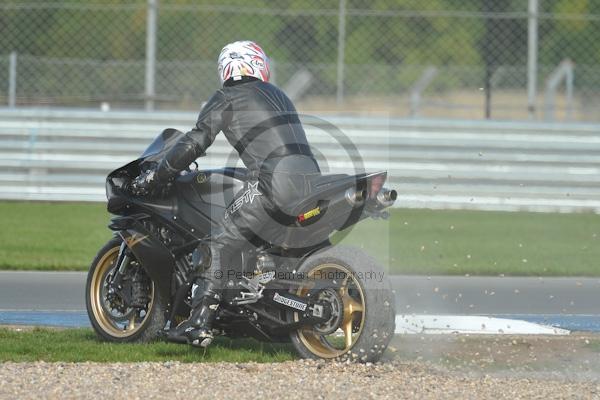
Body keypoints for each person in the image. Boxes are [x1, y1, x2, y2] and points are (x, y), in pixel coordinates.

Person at [130, 40, 320, 347]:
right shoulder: (279, 95)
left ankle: (198, 324)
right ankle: (263, 283)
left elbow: (195, 141)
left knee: (217, 243)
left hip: (273, 185)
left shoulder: (227, 96)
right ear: (259, 65)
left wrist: (158, 173)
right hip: (310, 182)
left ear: (225, 68)